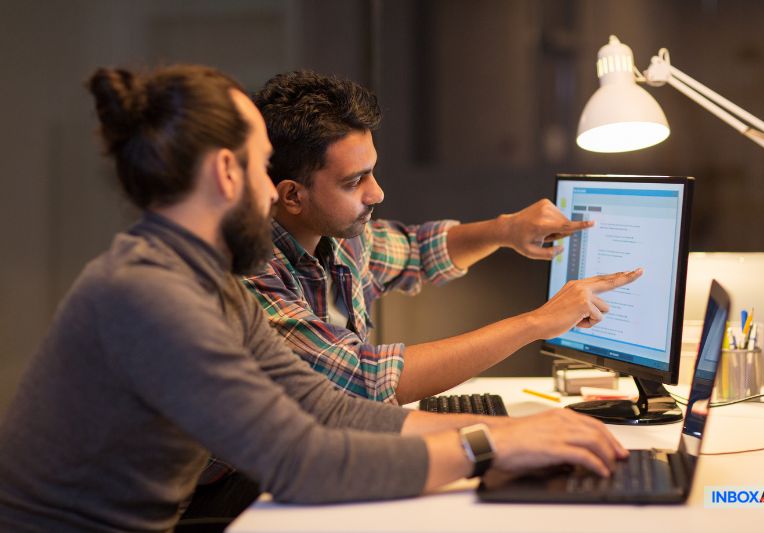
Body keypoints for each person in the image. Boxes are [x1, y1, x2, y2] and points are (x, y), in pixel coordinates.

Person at [0, 64, 632, 532]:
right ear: (230, 173)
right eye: (257, 164)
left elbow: (333, 410)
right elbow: (306, 461)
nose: (269, 191)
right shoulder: (151, 296)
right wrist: (491, 446)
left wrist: (507, 433)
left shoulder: (204, 279)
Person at [247, 70, 643, 405]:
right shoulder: (252, 275)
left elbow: (419, 250)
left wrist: (506, 230)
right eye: (355, 182)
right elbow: (361, 379)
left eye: (372, 171)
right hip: (244, 487)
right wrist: (537, 322)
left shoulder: (342, 238)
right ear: (293, 196)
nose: (377, 193)